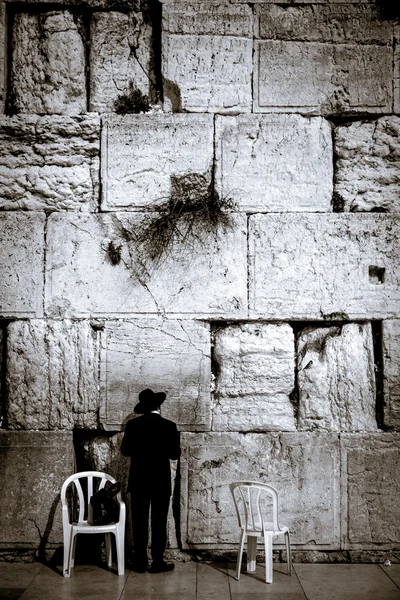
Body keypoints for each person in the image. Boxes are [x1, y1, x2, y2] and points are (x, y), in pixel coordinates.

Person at [121, 388, 180, 573]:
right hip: (160, 481)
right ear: (159, 406)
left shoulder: (132, 425)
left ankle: (140, 562)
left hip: (139, 480)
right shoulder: (169, 426)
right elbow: (174, 455)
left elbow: (125, 451)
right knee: (159, 521)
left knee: (139, 521)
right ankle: (157, 561)